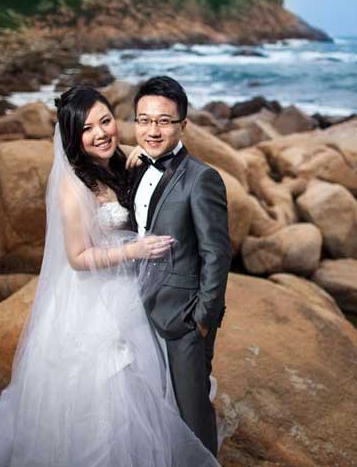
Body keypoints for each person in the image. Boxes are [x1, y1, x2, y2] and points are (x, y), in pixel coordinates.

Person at [0, 86, 219, 467]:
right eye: (87, 129)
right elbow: (77, 257)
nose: (101, 133)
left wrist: (139, 155)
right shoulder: (72, 185)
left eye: (105, 121)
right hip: (97, 294)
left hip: (135, 287)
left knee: (154, 378)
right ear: (72, 136)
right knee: (109, 390)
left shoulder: (121, 162)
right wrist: (132, 250)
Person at [128, 76, 231, 457]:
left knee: (192, 413)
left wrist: (203, 318)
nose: (153, 130)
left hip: (183, 316)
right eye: (144, 120)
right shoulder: (136, 166)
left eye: (164, 121)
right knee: (150, 404)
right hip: (137, 308)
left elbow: (217, 253)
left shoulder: (202, 178)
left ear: (183, 125)